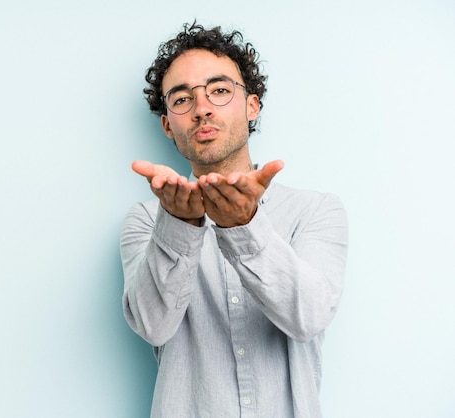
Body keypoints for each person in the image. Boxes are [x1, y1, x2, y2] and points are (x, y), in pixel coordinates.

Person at [119, 21, 349, 418]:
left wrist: (243, 228)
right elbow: (153, 326)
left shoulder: (316, 211)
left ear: (252, 105)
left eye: (220, 90)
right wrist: (177, 226)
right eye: (182, 99)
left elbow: (308, 317)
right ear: (167, 124)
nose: (202, 107)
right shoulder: (145, 221)